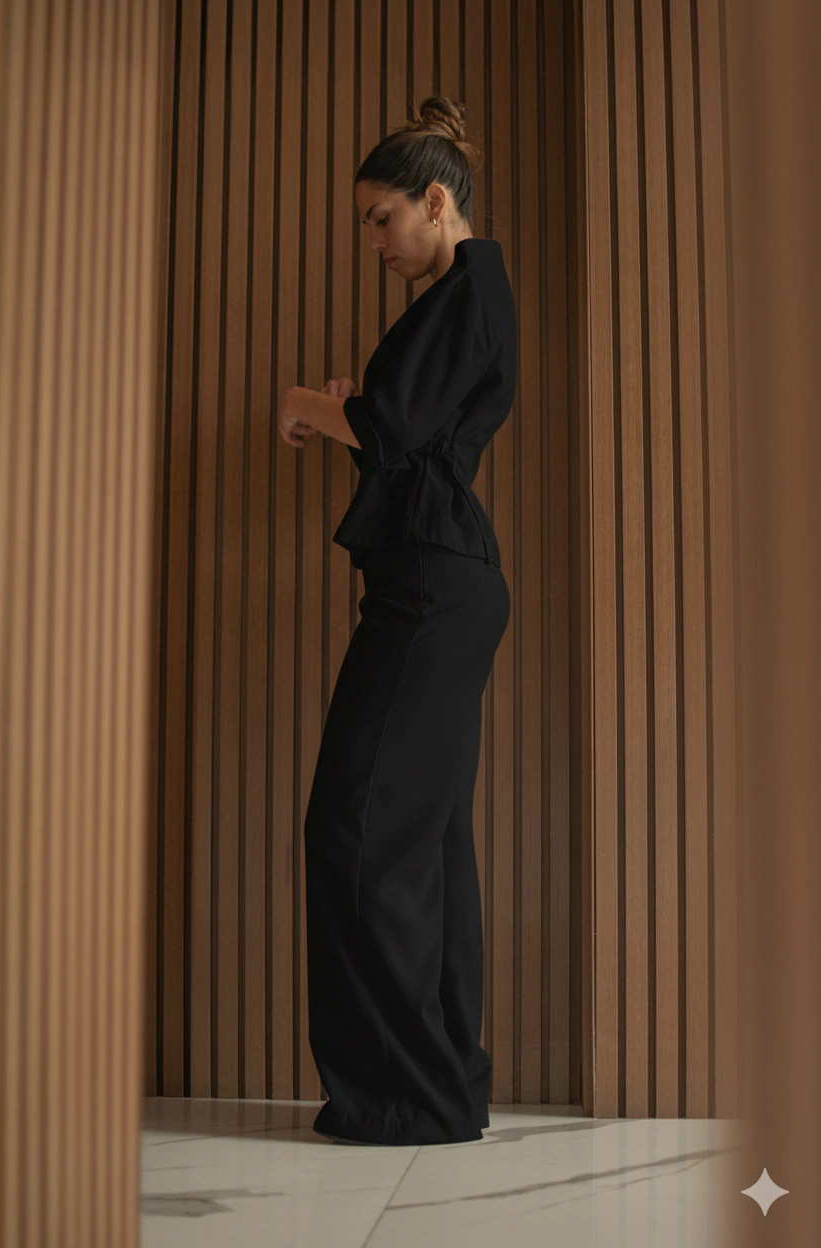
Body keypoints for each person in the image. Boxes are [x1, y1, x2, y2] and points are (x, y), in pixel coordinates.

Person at [278, 96, 516, 1146]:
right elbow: (403, 441)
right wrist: (353, 414)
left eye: (382, 218)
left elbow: (390, 428)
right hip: (438, 585)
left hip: (429, 591)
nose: (374, 241)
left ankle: (406, 1093)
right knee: (418, 838)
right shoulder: (463, 299)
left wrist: (309, 405)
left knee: (362, 826)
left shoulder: (465, 290)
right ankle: (438, 1087)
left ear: (436, 203)